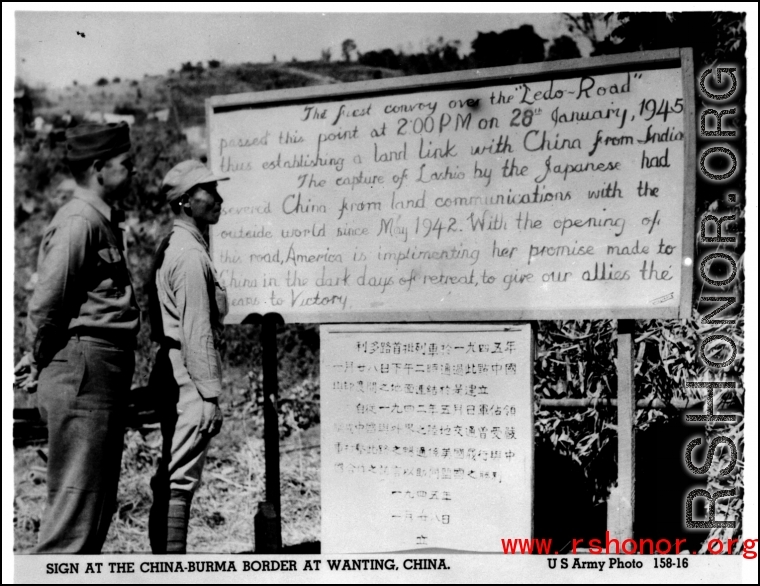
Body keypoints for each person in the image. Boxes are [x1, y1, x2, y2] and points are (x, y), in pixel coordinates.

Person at [15, 122, 139, 553]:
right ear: (99, 167)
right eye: (127, 163)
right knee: (73, 525)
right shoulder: (78, 221)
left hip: (98, 372)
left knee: (92, 514)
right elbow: (47, 303)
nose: (135, 169)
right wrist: (36, 357)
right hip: (83, 371)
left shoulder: (100, 219)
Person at [148, 160, 229, 554]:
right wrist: (210, 397)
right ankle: (171, 571)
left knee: (171, 473)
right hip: (190, 376)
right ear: (185, 202)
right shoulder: (191, 256)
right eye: (208, 192)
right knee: (181, 480)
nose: (218, 199)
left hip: (175, 369)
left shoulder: (175, 245)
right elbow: (197, 333)